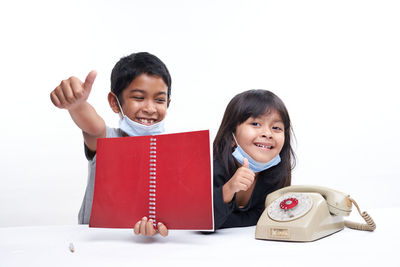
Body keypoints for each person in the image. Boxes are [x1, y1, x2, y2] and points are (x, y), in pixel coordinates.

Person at [50, 52, 170, 237]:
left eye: (160, 100)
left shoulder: (172, 152)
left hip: (143, 248)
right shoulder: (106, 139)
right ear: (115, 102)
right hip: (96, 243)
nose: (150, 108)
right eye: (138, 97)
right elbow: (92, 125)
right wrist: (77, 105)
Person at [212, 89, 296, 229]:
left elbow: (272, 216)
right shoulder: (211, 171)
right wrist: (229, 188)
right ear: (231, 135)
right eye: (256, 124)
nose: (267, 134)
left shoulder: (276, 177)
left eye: (276, 127)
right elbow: (203, 224)